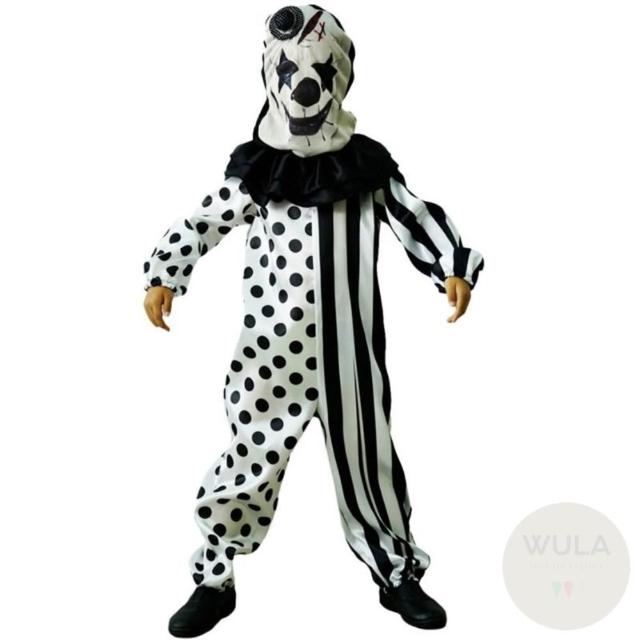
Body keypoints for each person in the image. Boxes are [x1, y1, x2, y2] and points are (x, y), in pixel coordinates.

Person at [143, 5, 484, 636]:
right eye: (291, 72)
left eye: (322, 72)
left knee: (369, 465)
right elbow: (205, 218)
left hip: (351, 353)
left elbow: (413, 213)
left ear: (341, 78)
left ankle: (397, 573)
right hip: (270, 351)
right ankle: (214, 578)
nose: (305, 86)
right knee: (248, 461)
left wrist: (451, 264)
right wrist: (167, 270)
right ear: (270, 76)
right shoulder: (259, 170)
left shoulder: (364, 167)